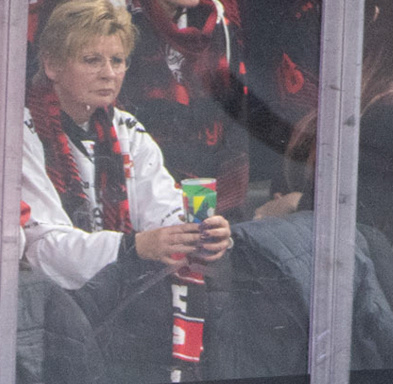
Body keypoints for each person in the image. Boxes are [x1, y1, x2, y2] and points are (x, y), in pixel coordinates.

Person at [23, 0, 231, 293]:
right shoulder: (20, 131)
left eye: (118, 61)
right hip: (50, 303)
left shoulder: (127, 128)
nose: (109, 73)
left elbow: (163, 207)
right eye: (92, 60)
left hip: (114, 294)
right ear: (52, 65)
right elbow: (42, 248)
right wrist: (133, 246)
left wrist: (199, 232)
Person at [119, 0, 250, 216]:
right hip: (139, 214)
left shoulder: (218, 22)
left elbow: (233, 134)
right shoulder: (114, 23)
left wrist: (219, 225)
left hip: (203, 200)